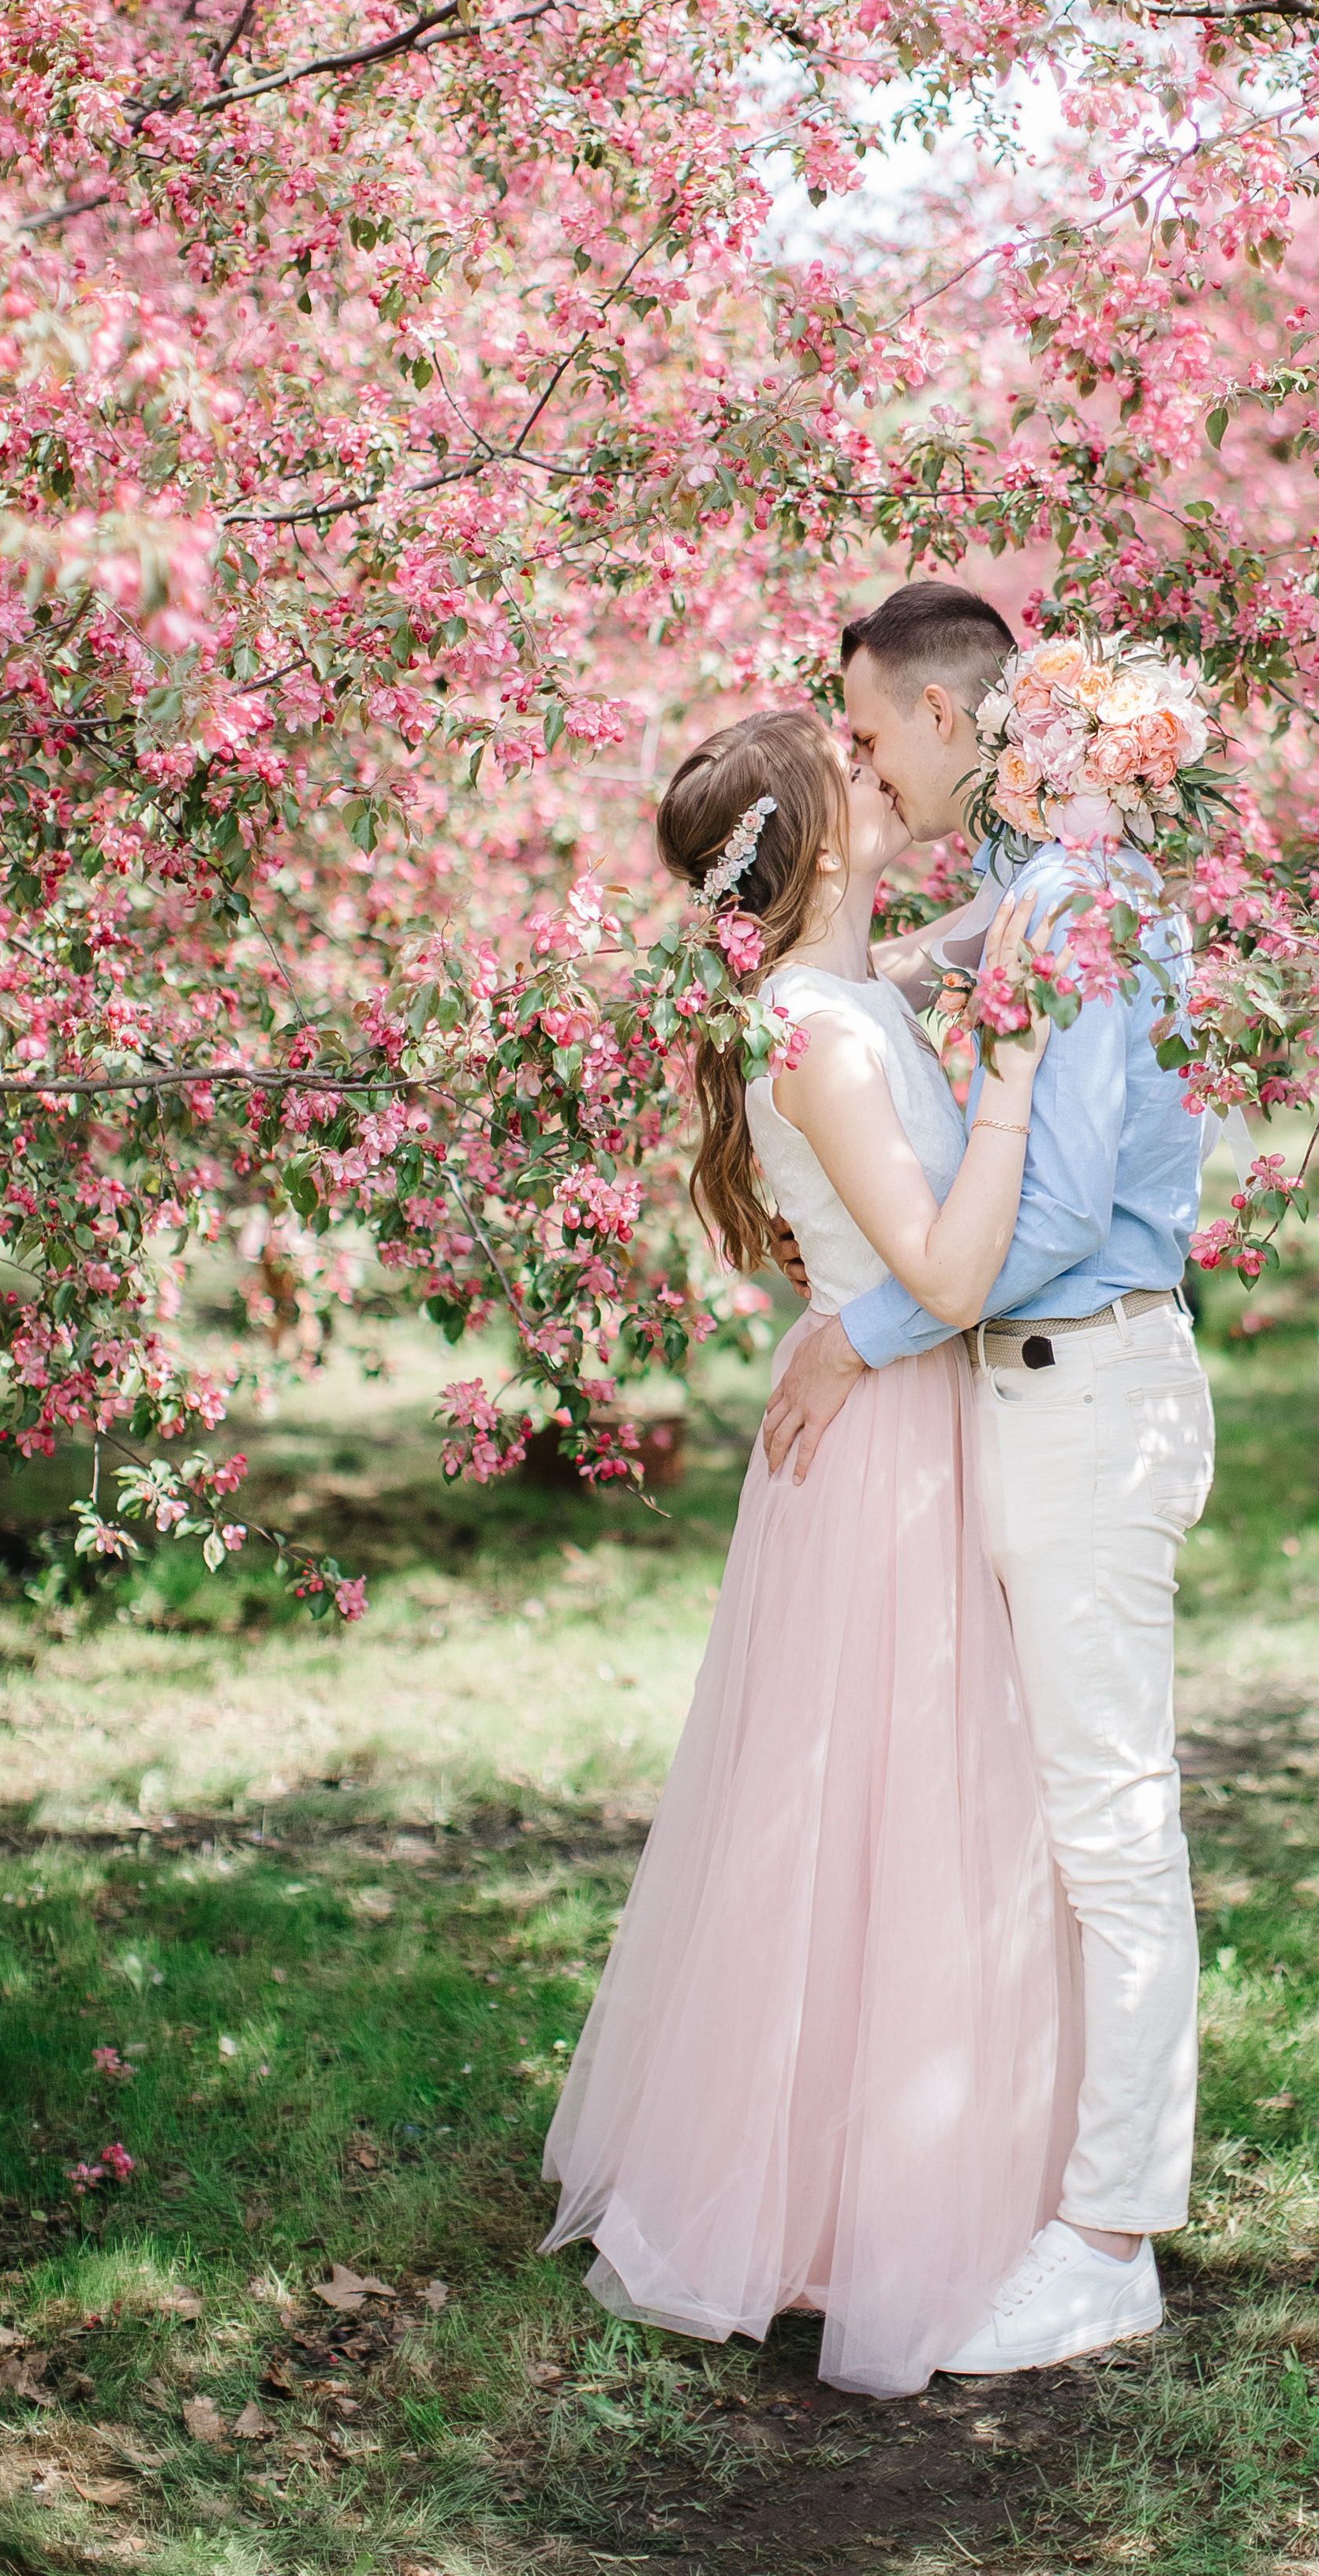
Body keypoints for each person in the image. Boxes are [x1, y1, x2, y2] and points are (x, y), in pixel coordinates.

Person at [541, 706, 1078, 2401]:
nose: (878, 761)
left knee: (899, 1804)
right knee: (884, 1804)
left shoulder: (838, 997)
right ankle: (852, 2210)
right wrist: (1006, 1082)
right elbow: (940, 1270)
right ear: (814, 836)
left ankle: (887, 2170)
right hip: (884, 1451)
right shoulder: (817, 1031)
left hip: (893, 1418)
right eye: (846, 755)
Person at [762, 581, 1216, 2380]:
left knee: (1111, 1828)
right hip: (1033, 1398)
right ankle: (1054, 2183)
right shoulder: (1042, 896)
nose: (858, 759)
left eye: (866, 729)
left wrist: (858, 1329)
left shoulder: (1080, 907)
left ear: (953, 723)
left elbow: (1044, 1209)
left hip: (1087, 1385)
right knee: (1063, 1825)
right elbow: (937, 954)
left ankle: (1108, 2238)